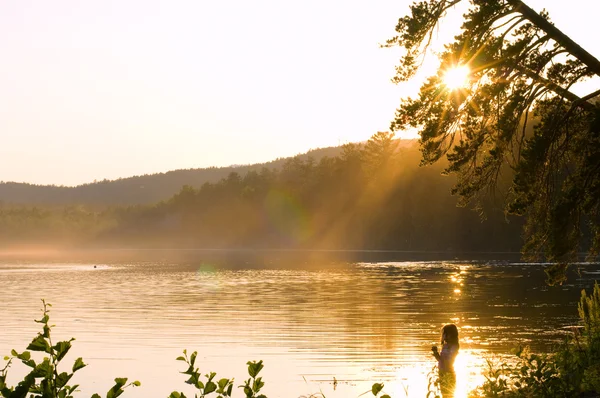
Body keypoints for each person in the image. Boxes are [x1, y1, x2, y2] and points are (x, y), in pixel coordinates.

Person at [431, 324, 459, 397]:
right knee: (444, 394)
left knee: (449, 394)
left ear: (453, 335)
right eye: (444, 334)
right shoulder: (445, 346)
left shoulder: (454, 346)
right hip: (442, 372)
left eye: (447, 334)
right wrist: (435, 352)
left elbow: (450, 360)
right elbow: (440, 360)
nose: (445, 336)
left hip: (448, 373)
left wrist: (444, 361)